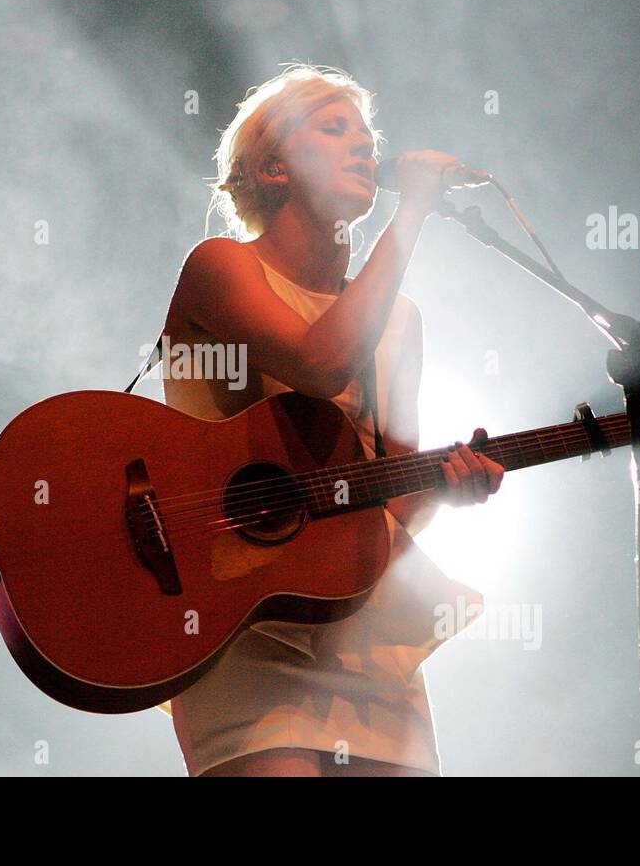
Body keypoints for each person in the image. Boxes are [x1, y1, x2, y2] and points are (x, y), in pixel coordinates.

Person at [154, 63, 504, 777]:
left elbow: (391, 493)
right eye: (335, 127)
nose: (366, 147)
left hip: (363, 631)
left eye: (368, 136)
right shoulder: (221, 267)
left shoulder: (400, 320)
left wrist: (445, 485)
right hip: (243, 626)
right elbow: (321, 362)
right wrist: (410, 218)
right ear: (273, 166)